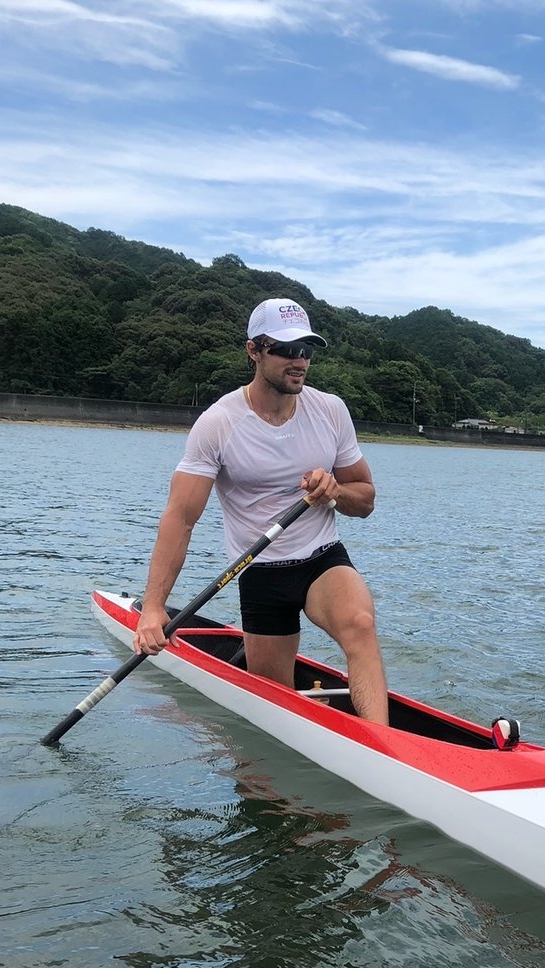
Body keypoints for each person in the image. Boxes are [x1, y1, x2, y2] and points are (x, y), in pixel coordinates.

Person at [133, 298, 389, 725]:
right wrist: (154, 609)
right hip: (259, 568)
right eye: (285, 349)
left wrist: (334, 492)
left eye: (306, 350)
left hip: (321, 558)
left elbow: (365, 499)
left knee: (360, 623)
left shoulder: (330, 410)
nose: (299, 361)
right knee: (275, 705)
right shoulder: (219, 424)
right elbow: (181, 518)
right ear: (254, 350)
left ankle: (385, 749)